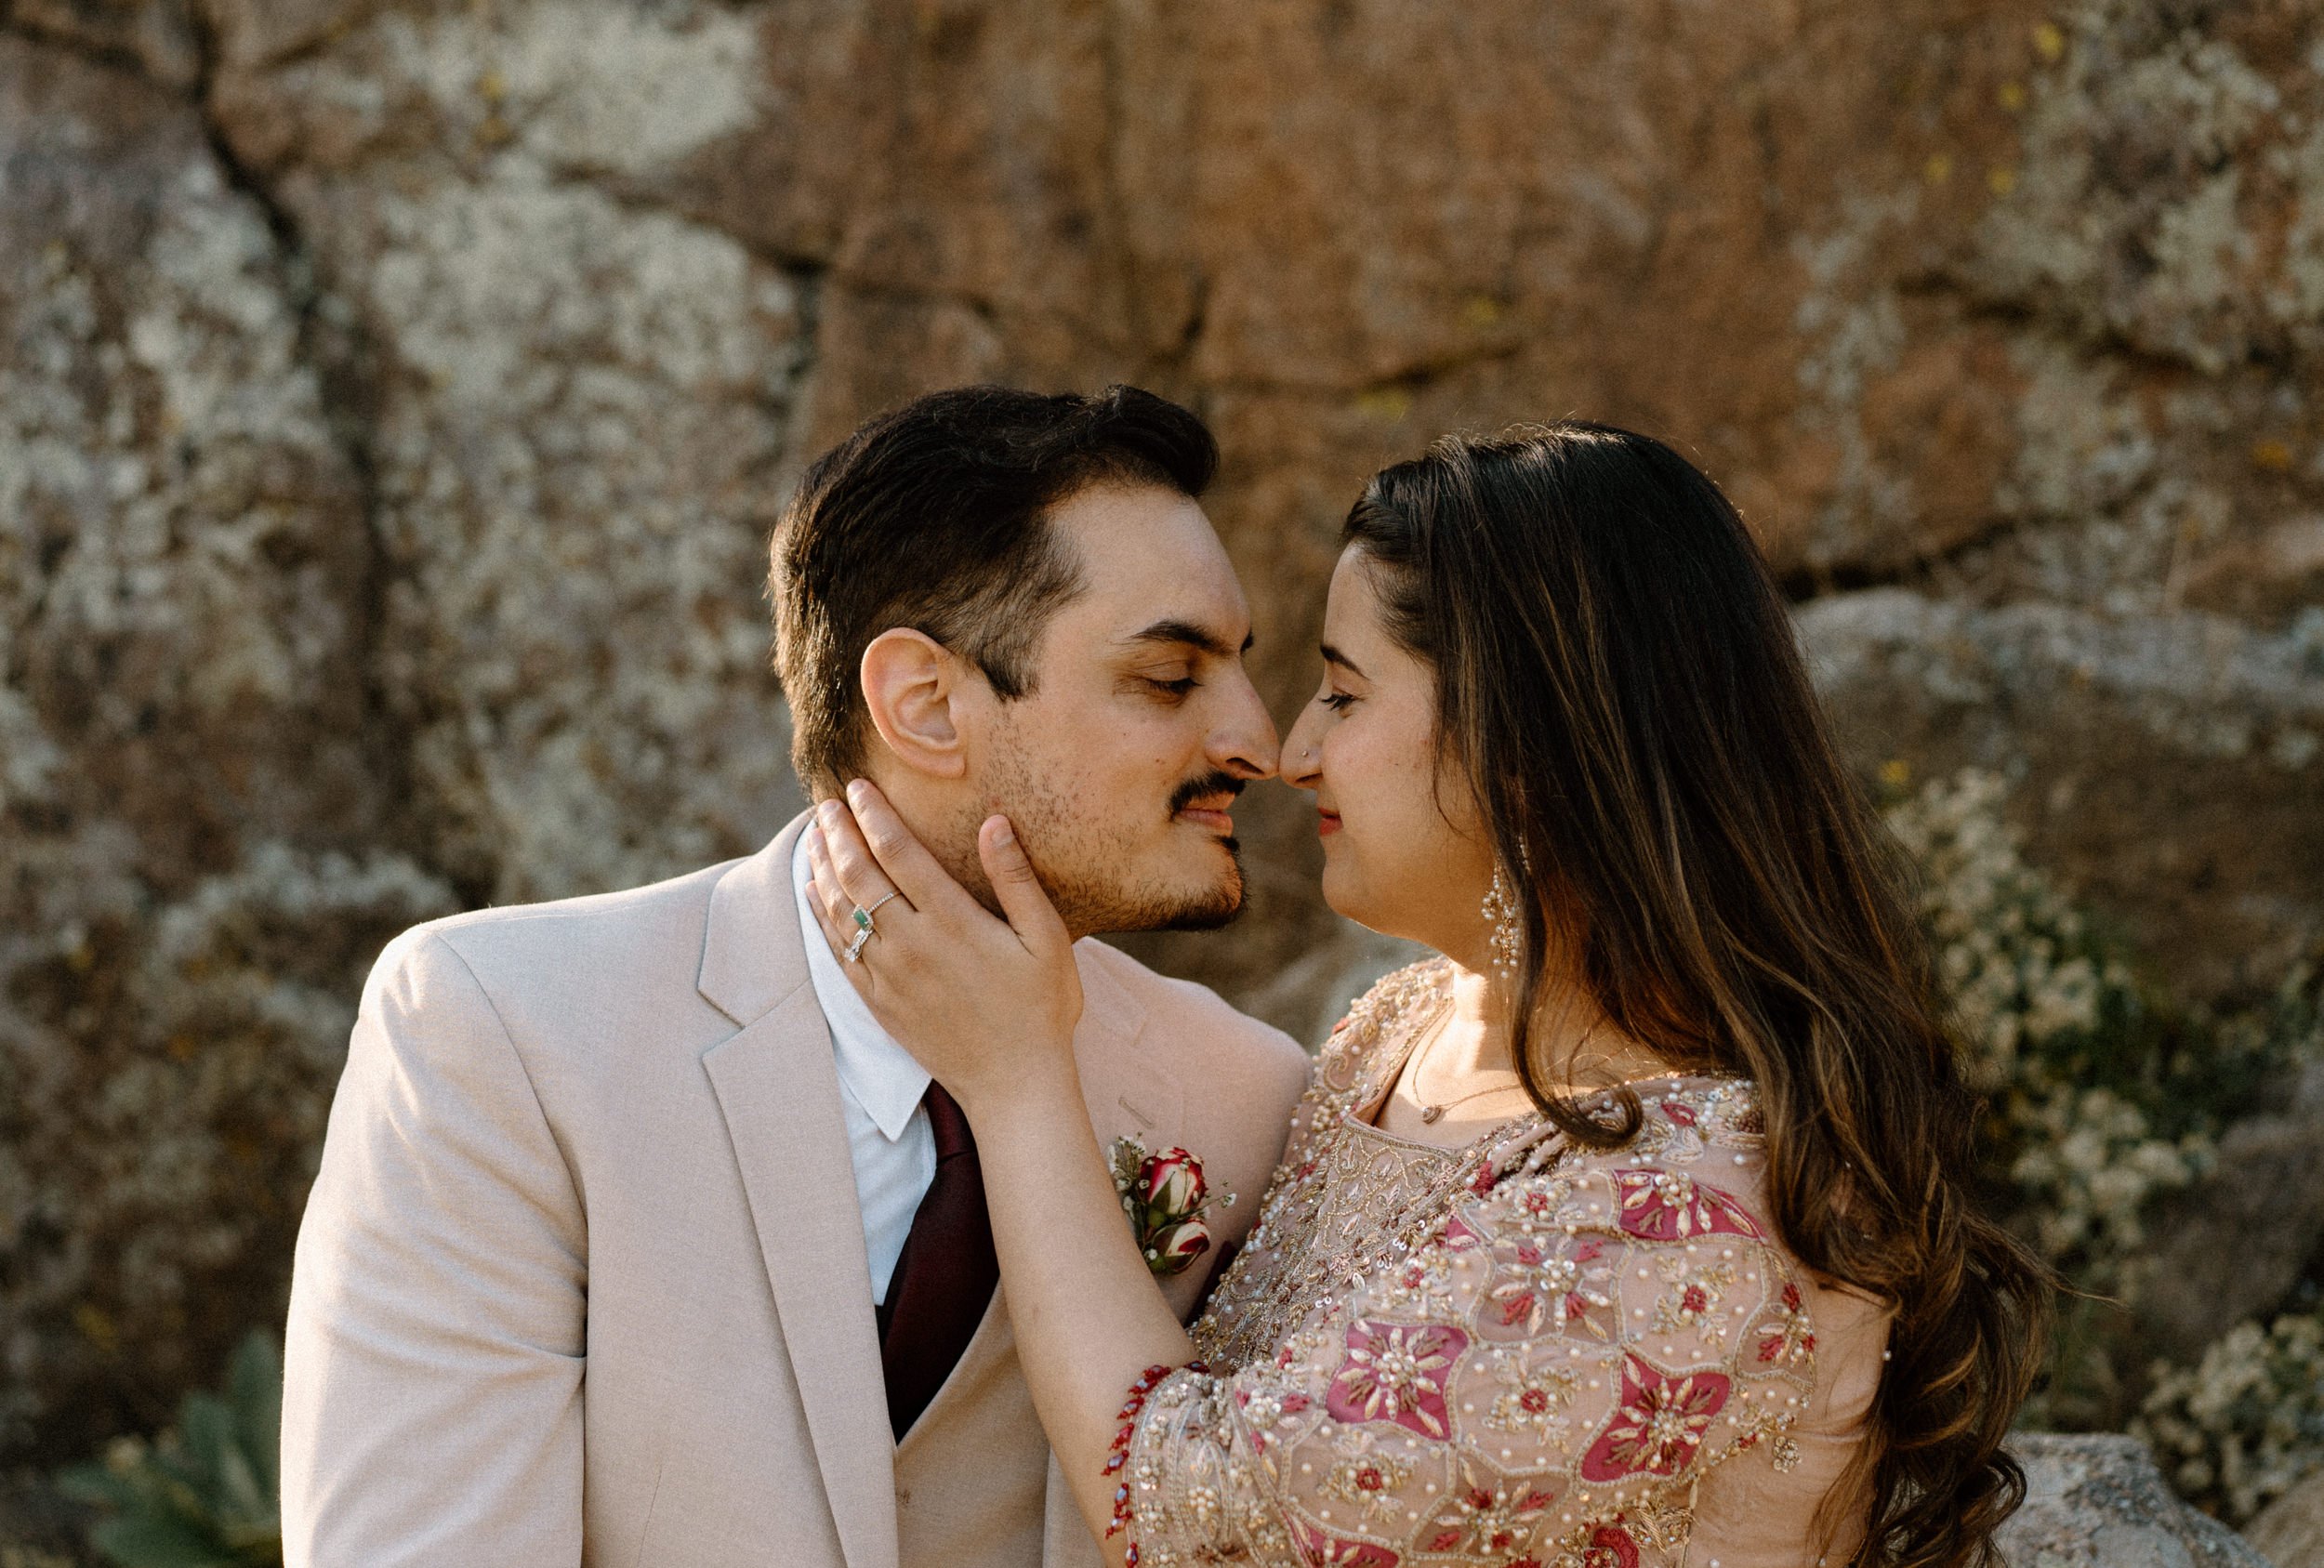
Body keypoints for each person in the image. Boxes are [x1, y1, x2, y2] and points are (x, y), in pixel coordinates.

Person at [805, 423, 2057, 1568]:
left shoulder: (1700, 1205)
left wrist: (1019, 1081)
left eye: (1345, 693)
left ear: (1527, 744)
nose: (1291, 750)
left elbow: (1193, 1513)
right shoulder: (1391, 1034)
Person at [279, 385, 1314, 1568]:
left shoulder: (1243, 1097)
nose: (1258, 741)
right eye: (1171, 678)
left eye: (1241, 670)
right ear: (924, 705)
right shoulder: (506, 1029)